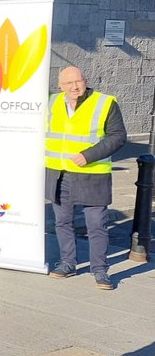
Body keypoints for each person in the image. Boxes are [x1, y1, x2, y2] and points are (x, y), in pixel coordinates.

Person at [46, 66, 127, 289]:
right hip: (59, 173)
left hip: (92, 174)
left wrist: (88, 155)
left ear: (85, 80)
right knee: (62, 222)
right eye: (68, 83)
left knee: (96, 225)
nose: (74, 86)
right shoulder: (52, 102)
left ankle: (100, 270)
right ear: (60, 86)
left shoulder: (105, 103)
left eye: (78, 81)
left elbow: (118, 137)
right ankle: (67, 263)